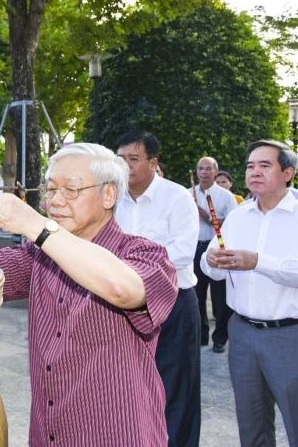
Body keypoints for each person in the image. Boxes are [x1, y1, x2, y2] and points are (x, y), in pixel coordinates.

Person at [0, 143, 178, 446]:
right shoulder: (39, 256)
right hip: (50, 434)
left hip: (118, 434)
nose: (55, 201)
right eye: (51, 190)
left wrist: (35, 224)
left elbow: (124, 290)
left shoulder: (145, 254)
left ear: (108, 195)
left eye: (70, 190)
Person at [201, 140, 298, 447]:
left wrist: (259, 262)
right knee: (252, 424)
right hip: (243, 333)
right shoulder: (238, 216)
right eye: (250, 166)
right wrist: (212, 261)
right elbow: (214, 268)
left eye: (264, 165)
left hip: (292, 336)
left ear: (288, 172)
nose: (254, 172)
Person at [115, 131, 201, 447]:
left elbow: (181, 252)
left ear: (153, 162)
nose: (125, 166)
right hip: (123, 304)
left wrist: (127, 268)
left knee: (176, 388)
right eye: (119, 159)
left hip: (173, 305)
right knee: (131, 385)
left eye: (133, 159)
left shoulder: (176, 197)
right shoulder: (110, 198)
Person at [191, 156, 237, 351]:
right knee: (197, 296)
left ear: (215, 172)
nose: (203, 172)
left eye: (208, 169)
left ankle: (219, 338)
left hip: (217, 248)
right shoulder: (187, 194)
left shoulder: (226, 196)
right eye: (200, 168)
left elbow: (233, 224)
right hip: (194, 247)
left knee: (220, 297)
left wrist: (208, 217)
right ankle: (201, 336)